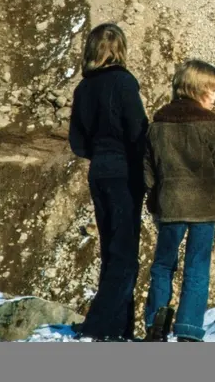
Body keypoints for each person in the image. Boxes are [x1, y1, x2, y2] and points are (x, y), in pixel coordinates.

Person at [142, 60, 215, 342]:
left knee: (163, 266)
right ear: (198, 90)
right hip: (204, 209)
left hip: (170, 207)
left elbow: (149, 170)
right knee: (197, 270)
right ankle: (188, 330)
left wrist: (153, 202)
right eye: (214, 90)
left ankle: (155, 325)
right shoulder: (212, 125)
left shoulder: (158, 124)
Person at [68, 23, 149, 341]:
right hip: (124, 174)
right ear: (121, 51)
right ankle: (100, 325)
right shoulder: (124, 83)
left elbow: (77, 142)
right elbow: (138, 133)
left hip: (98, 172)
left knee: (111, 251)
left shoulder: (83, 89)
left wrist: (99, 153)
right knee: (125, 254)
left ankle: (120, 327)